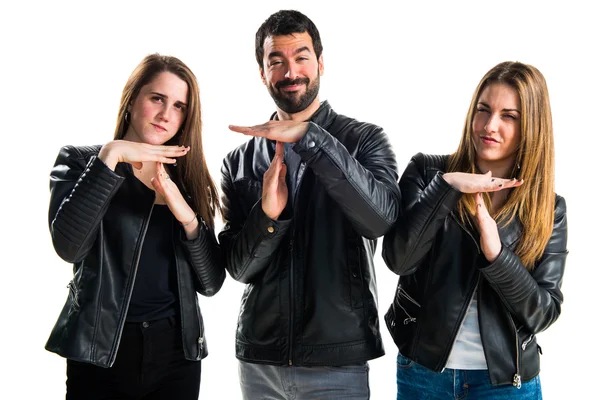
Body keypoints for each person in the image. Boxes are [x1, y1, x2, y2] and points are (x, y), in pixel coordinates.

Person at [219, 9, 401, 400]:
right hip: (259, 362)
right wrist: (269, 216)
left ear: (320, 62)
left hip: (338, 362)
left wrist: (310, 138)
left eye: (301, 57)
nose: (290, 72)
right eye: (276, 61)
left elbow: (380, 219)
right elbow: (238, 267)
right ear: (262, 72)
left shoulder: (365, 140)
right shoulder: (237, 161)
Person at [382, 61, 568, 399]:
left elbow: (543, 311)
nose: (489, 125)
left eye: (508, 116)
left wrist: (497, 255)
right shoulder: (427, 173)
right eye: (483, 110)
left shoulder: (549, 209)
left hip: (505, 384)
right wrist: (447, 186)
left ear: (531, 126)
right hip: (423, 375)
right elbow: (399, 259)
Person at [45, 54, 225, 400]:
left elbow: (211, 283)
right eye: (157, 98)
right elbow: (69, 246)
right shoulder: (83, 161)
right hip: (102, 350)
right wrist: (110, 157)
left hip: (177, 353)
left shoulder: (186, 180)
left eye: (179, 106)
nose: (166, 114)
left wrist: (186, 216)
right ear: (132, 100)